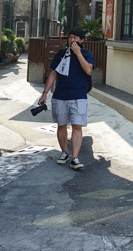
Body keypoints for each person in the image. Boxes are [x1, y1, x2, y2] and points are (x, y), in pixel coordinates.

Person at [38, 28, 94, 170]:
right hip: (60, 96)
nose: (72, 40)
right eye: (70, 38)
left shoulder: (87, 54)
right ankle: (64, 152)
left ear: (82, 40)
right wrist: (44, 93)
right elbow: (52, 75)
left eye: (75, 38)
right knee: (61, 125)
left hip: (79, 96)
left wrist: (78, 53)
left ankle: (75, 157)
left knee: (77, 126)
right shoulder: (61, 54)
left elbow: (88, 70)